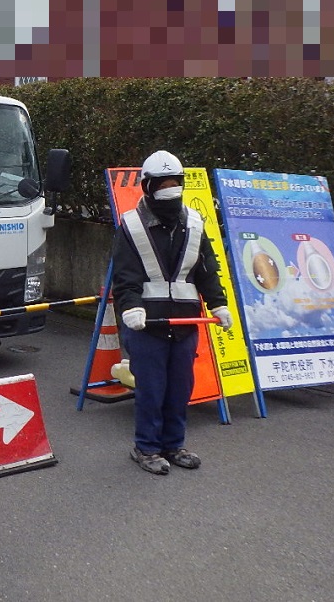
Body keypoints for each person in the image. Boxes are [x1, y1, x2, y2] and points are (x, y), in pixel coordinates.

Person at [110, 150, 233, 475]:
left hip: (185, 323)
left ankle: (173, 444)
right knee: (151, 389)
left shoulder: (193, 223)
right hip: (146, 323)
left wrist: (218, 303)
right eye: (162, 183)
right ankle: (146, 448)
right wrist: (131, 307)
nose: (169, 188)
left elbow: (206, 269)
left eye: (174, 182)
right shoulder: (131, 225)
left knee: (180, 388)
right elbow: (125, 275)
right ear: (147, 187)